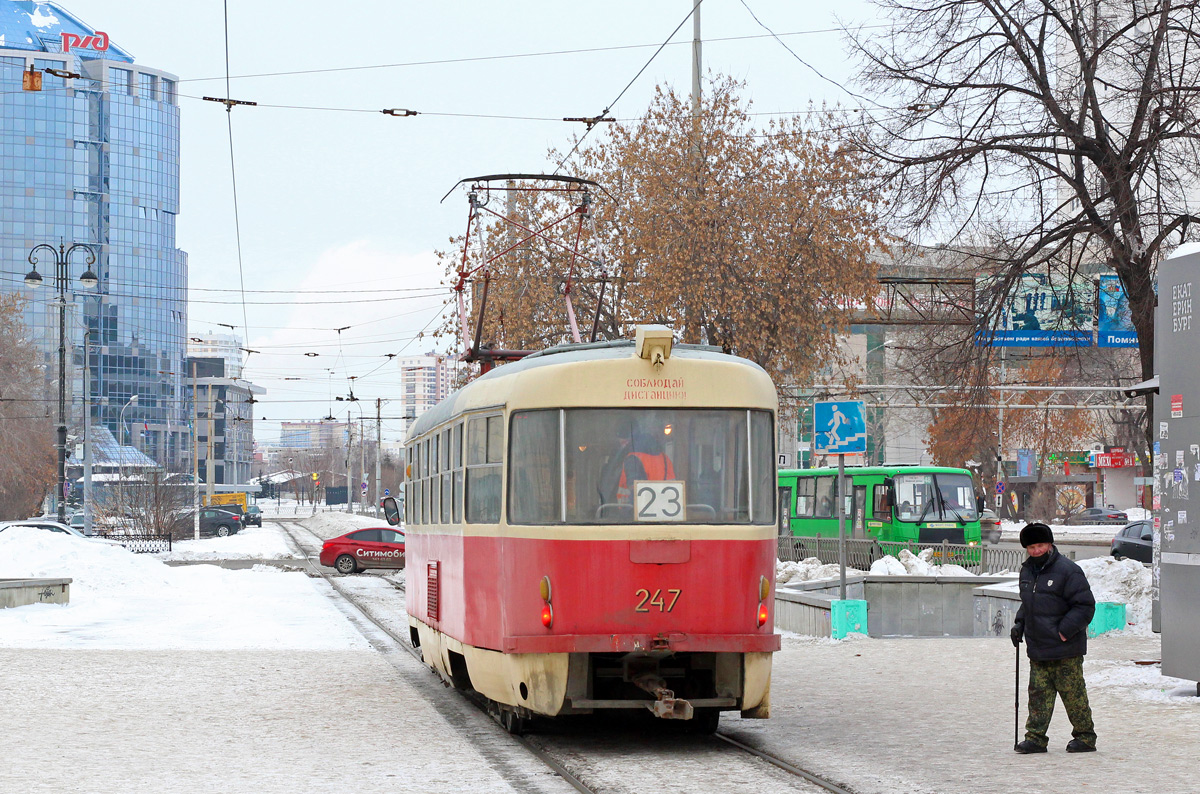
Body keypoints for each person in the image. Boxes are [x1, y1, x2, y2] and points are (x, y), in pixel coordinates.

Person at [1010, 522, 1098, 754]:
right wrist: (1020, 624)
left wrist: (1063, 632)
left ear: (1049, 544)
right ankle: (1036, 738)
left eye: (1040, 545)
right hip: (1038, 648)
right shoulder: (1027, 571)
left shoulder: (1068, 570)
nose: (1036, 551)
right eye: (1031, 547)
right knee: (1038, 696)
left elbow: (1085, 606)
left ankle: (1085, 737)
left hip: (1065, 648)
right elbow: (1029, 603)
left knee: (1073, 695)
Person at [615, 430, 675, 503]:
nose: (623, 446)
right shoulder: (665, 458)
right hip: (666, 508)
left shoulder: (632, 458)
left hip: (635, 510)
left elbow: (634, 489)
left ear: (629, 441)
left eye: (623, 443)